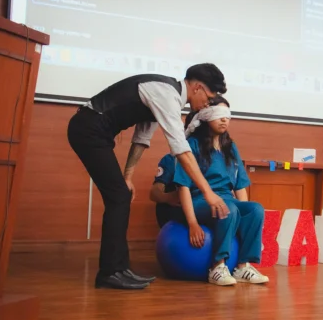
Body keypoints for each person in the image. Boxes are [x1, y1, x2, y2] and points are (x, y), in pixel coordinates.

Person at [67, 64, 231, 290]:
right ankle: (111, 272)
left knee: (120, 194)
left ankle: (119, 269)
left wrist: (128, 176)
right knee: (118, 198)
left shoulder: (161, 96)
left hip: (97, 134)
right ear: (198, 87)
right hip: (88, 129)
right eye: (209, 97)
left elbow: (141, 137)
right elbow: (181, 150)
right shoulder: (166, 95)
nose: (207, 104)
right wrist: (208, 192)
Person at [167, 96, 269, 286]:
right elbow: (183, 186)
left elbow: (240, 186)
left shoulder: (230, 147)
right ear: (205, 116)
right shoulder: (192, 145)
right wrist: (192, 223)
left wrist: (245, 217)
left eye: (227, 116)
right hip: (200, 201)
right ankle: (217, 267)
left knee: (255, 209)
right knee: (228, 208)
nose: (224, 120)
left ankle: (242, 266)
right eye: (219, 115)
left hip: (227, 201)